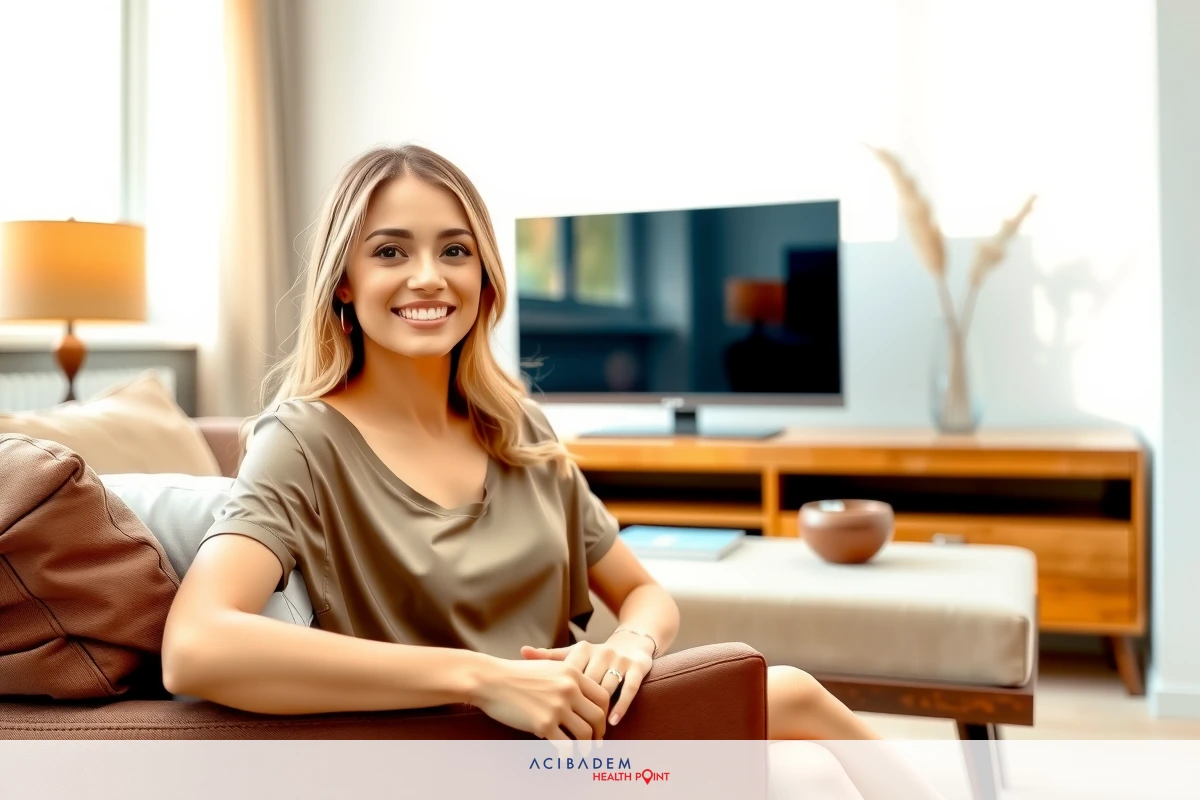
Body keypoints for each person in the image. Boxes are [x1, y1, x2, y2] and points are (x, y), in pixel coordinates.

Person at [161, 144, 943, 800]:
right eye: (391, 250)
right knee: (796, 696)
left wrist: (633, 644)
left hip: (578, 734)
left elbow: (641, 592)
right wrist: (482, 678)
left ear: (486, 278)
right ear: (344, 283)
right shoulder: (303, 440)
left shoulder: (518, 429)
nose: (429, 276)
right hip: (456, 746)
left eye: (455, 250)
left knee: (805, 765)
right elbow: (195, 645)